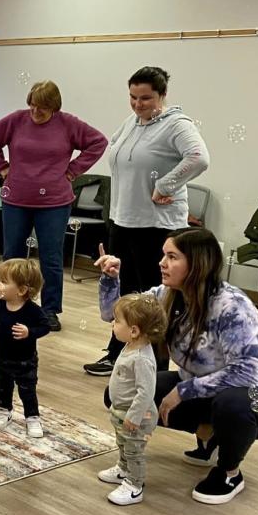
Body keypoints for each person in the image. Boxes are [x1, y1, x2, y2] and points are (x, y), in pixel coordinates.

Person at [95, 227, 258, 505]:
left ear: (197, 263)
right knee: (120, 392)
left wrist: (184, 391)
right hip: (206, 390)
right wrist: (109, 280)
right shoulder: (166, 294)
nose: (162, 263)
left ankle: (229, 472)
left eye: (172, 257)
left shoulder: (231, 306)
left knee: (234, 404)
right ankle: (209, 439)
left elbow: (246, 373)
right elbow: (116, 319)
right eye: (164, 255)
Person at [84, 66, 209, 377]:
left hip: (156, 224)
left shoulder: (177, 125)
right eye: (133, 97)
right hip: (123, 219)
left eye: (146, 98)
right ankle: (118, 352)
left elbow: (198, 157)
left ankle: (154, 363)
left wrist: (166, 185)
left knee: (152, 298)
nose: (138, 104)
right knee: (124, 291)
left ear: (162, 96)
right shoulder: (131, 122)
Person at [0, 80, 107, 332]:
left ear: (54, 107)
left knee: (51, 258)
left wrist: (73, 171)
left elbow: (98, 142)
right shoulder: (17, 120)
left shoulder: (68, 124)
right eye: (33, 106)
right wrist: (1, 166)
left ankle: (49, 310)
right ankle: (10, 303)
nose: (36, 112)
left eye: (43, 108)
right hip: (16, 199)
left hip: (54, 203)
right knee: (12, 255)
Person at [97, 293, 167, 506]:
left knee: (134, 450)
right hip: (123, 412)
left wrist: (135, 416)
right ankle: (123, 468)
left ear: (134, 331)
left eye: (117, 321)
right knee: (123, 444)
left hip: (138, 417)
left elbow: (146, 392)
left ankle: (135, 485)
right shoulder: (130, 347)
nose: (113, 323)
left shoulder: (142, 359)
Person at [0, 258, 50, 438]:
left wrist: (30, 332)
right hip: (2, 357)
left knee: (27, 390)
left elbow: (45, 326)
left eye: (3, 281)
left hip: (26, 360)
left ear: (21, 290)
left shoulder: (32, 310)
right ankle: (4, 410)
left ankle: (32, 417)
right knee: (3, 386)